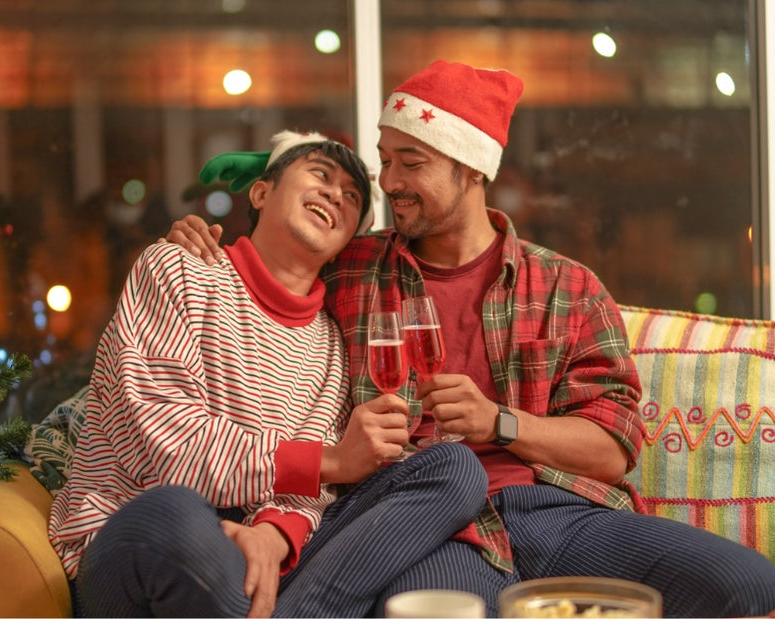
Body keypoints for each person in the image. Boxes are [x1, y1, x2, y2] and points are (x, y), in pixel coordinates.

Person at [165, 60, 775, 617]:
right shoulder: (351, 266)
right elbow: (266, 271)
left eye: (412, 163)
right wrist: (200, 244)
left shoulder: (566, 288)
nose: (389, 182)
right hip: (427, 525)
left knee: (749, 585)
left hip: (555, 513)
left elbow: (613, 448)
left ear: (471, 169)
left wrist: (501, 423)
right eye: (386, 160)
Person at [48, 129, 489, 618]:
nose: (334, 195)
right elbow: (167, 445)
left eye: (352, 198)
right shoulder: (178, 269)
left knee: (453, 468)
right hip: (147, 536)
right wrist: (331, 462)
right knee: (178, 516)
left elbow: (310, 493)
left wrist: (274, 534)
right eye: (320, 175)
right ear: (261, 191)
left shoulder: (330, 343)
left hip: (267, 560)